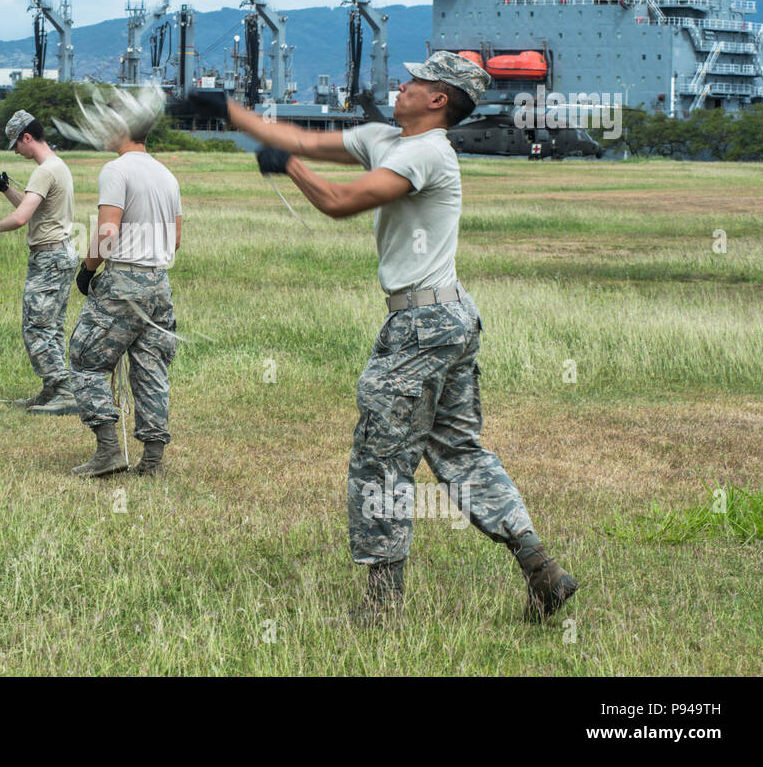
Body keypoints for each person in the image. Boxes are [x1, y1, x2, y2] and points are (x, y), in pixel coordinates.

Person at [180, 51, 577, 623]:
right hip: (448, 317)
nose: (404, 85)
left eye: (416, 81)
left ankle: (382, 606)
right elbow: (292, 134)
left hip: (421, 327)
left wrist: (286, 165)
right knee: (458, 451)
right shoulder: (385, 136)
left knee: (380, 459)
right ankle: (541, 568)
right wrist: (228, 111)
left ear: (438, 99)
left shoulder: (425, 153)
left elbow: (341, 201)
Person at [66, 104, 181, 477]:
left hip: (123, 282)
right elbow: (175, 240)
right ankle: (152, 461)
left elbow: (107, 232)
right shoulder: (167, 176)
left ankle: (108, 450)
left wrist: (87, 270)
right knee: (151, 370)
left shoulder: (115, 171)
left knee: (86, 360)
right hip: (159, 284)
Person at [0, 110, 79, 415]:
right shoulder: (56, 166)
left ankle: (63, 391)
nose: (15, 151)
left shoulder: (44, 171)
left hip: (49, 257)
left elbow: (22, 218)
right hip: (61, 253)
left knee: (35, 328)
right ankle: (53, 390)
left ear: (27, 137)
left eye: (16, 144)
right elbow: (33, 209)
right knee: (51, 327)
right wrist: (7, 189)